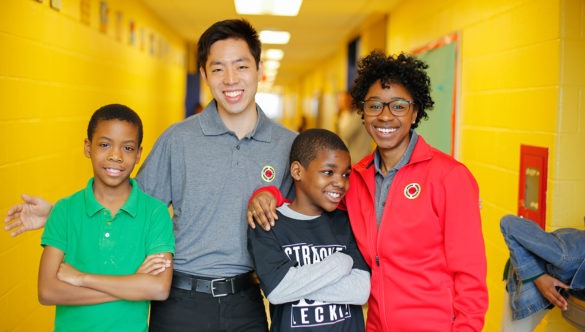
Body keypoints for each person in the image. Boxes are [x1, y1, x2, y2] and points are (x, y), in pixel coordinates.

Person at [4, 19, 297, 331]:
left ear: (259, 69)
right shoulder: (178, 139)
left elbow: (303, 221)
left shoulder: (288, 145)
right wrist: (57, 213)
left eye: (241, 66)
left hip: (246, 302)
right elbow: (130, 206)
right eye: (217, 69)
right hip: (179, 300)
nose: (230, 79)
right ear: (203, 75)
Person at [247, 50, 489, 331]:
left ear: (415, 113)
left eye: (398, 106)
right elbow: (310, 200)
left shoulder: (449, 177)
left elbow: (471, 277)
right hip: (375, 325)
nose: (385, 116)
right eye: (375, 105)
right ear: (363, 113)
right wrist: (268, 196)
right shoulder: (357, 178)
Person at [37, 104, 175, 331]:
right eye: (104, 145)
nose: (116, 156)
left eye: (128, 148)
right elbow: (47, 291)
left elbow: (158, 288)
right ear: (87, 147)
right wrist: (132, 285)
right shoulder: (64, 210)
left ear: (139, 154)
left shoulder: (155, 213)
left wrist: (82, 278)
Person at [248, 128, 370, 331]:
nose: (340, 182)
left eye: (345, 174)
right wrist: (340, 263)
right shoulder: (269, 223)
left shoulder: (346, 221)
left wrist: (293, 284)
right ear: (297, 171)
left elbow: (360, 291)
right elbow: (278, 291)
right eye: (328, 172)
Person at [500, 214, 585, 331]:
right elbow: (509, 223)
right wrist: (538, 277)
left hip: (554, 278)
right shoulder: (565, 254)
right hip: (525, 276)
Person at [336, 91, 372, 163]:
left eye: (347, 100)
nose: (344, 103)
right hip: (360, 156)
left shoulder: (358, 115)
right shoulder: (351, 115)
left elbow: (346, 134)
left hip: (357, 157)